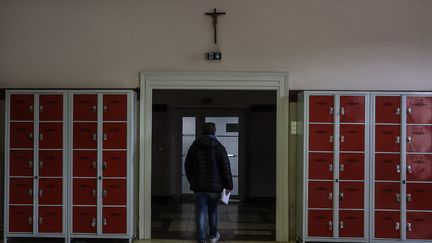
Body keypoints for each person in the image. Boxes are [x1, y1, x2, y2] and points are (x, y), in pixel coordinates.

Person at [185, 122, 233, 243]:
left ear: (203, 131)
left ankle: (201, 239)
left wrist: (192, 179)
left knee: (201, 212)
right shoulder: (219, 147)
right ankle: (212, 236)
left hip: (199, 186)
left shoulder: (194, 146)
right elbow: (225, 167)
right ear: (214, 131)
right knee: (213, 211)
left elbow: (187, 165)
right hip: (215, 188)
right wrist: (229, 185)